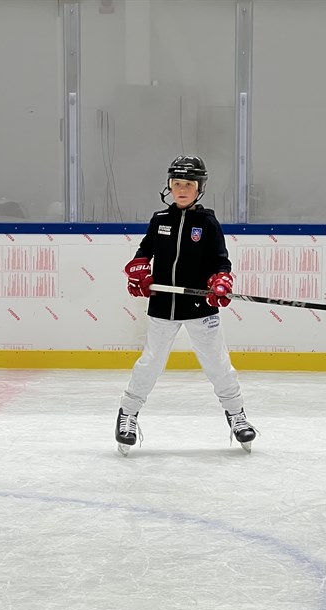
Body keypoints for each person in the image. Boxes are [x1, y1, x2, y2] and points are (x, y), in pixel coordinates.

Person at [115, 155, 257, 456]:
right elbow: (144, 252)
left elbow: (221, 262)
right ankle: (127, 414)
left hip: (200, 308)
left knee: (217, 364)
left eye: (188, 184)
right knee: (151, 363)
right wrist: (139, 272)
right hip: (163, 306)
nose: (181, 190)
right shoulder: (160, 220)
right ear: (169, 186)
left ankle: (237, 415)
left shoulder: (208, 223)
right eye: (176, 183)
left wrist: (220, 282)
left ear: (199, 188)